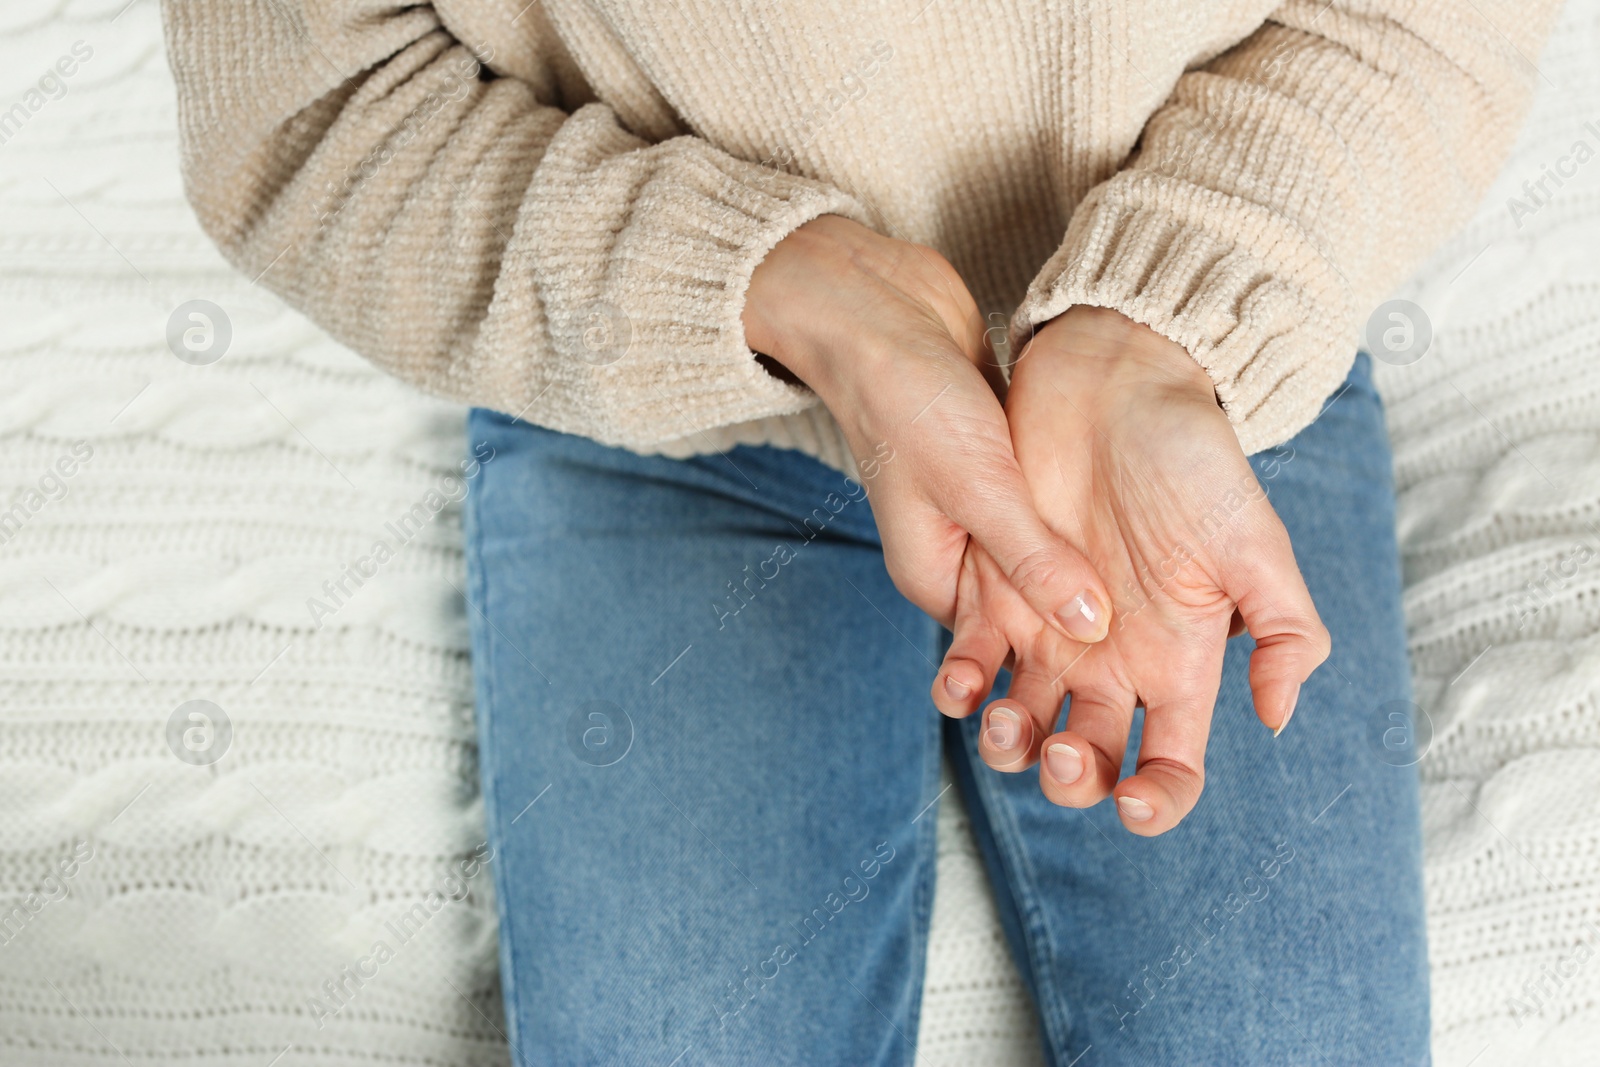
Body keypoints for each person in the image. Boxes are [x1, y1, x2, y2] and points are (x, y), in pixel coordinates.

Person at [162, 1, 1556, 1062]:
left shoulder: (1196, 331)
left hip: (1200, 361)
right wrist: (787, 289)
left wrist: (1170, 314)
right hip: (657, 386)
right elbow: (305, 117)